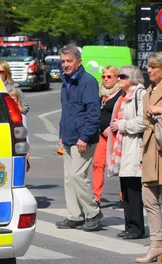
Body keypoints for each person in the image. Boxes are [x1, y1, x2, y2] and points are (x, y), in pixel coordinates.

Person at [55, 44, 103, 231]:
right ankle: (75, 215)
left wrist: (84, 137)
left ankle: (93, 212)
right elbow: (66, 112)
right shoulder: (66, 81)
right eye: (63, 61)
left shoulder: (87, 81)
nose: (65, 65)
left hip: (83, 138)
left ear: (79, 61)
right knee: (69, 178)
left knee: (78, 175)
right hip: (68, 136)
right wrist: (61, 134)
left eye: (69, 61)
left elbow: (93, 114)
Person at [107, 66, 146, 239]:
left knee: (134, 188)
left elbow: (143, 121)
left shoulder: (140, 94)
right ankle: (129, 225)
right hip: (123, 145)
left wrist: (121, 125)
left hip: (134, 145)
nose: (119, 79)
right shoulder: (123, 96)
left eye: (122, 76)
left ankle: (137, 228)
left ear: (132, 78)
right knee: (125, 188)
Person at [137, 52, 162, 262]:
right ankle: (156, 245)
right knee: (149, 199)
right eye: (148, 66)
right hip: (150, 148)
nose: (149, 70)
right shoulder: (148, 91)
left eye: (154, 67)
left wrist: (160, 110)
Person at [92, 66, 122, 207]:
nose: (106, 79)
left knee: (120, 166)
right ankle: (96, 197)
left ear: (116, 78)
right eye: (104, 76)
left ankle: (124, 196)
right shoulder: (101, 94)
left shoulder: (121, 94)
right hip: (101, 136)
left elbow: (123, 114)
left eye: (109, 76)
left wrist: (112, 127)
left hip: (116, 135)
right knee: (98, 164)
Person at [8, 88, 30, 171]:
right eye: (10, 97)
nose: (13, 98)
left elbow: (25, 133)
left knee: (19, 168)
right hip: (10, 144)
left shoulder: (21, 114)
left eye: (14, 96)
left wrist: (27, 150)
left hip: (19, 145)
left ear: (18, 99)